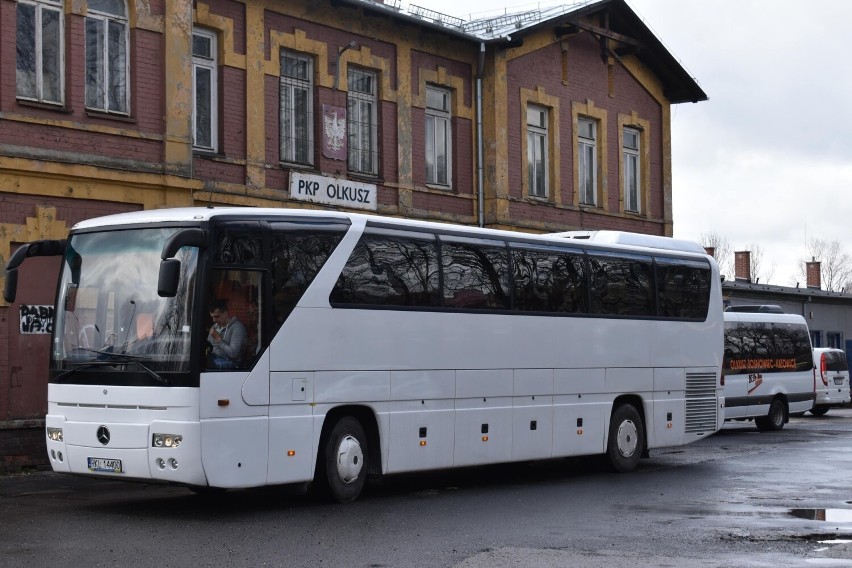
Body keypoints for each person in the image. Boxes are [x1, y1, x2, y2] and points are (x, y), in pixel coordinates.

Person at [207, 299, 247, 369]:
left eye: (217, 316)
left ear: (225, 313)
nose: (214, 320)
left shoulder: (237, 328)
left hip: (231, 363)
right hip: (214, 358)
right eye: (212, 317)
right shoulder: (215, 327)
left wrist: (219, 340)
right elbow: (209, 345)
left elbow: (233, 353)